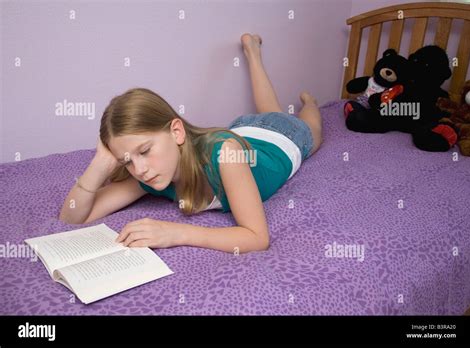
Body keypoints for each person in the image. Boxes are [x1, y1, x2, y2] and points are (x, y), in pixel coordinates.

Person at [59, 33, 323, 254]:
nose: (139, 169)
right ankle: (252, 50)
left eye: (145, 151)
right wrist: (101, 163)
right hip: (244, 129)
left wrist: (174, 232)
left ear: (176, 132)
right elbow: (72, 218)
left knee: (305, 126)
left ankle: (308, 102)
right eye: (127, 160)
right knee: (269, 109)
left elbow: (256, 237)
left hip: (284, 138)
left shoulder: (224, 154)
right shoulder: (149, 175)